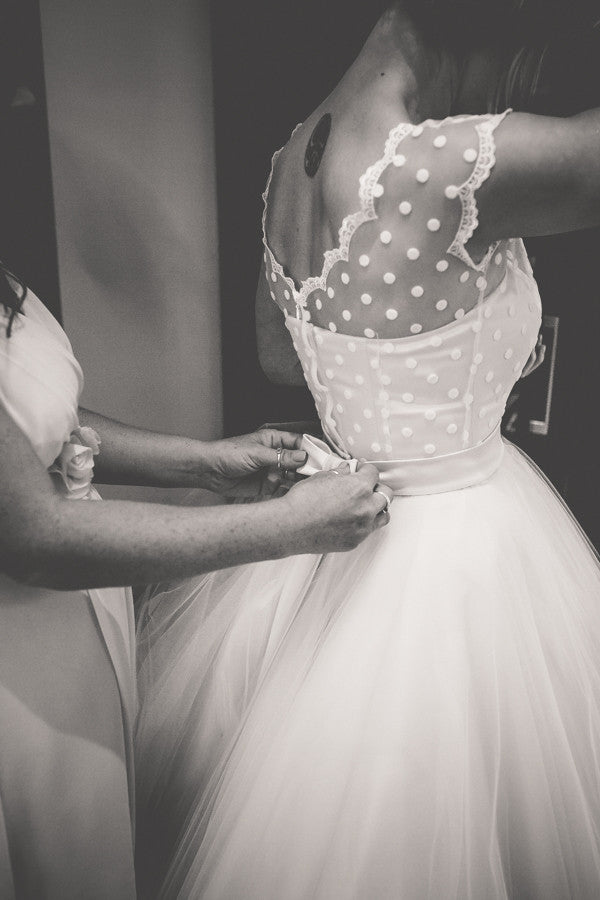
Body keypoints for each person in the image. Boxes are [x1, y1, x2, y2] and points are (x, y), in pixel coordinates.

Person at [134, 1, 600, 897]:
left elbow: (280, 358)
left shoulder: (292, 160)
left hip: (332, 533)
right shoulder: (448, 162)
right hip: (459, 554)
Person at [0, 260, 391, 900]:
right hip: (20, 638)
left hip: (71, 612)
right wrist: (287, 528)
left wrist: (202, 464)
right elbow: (29, 535)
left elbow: (34, 426)